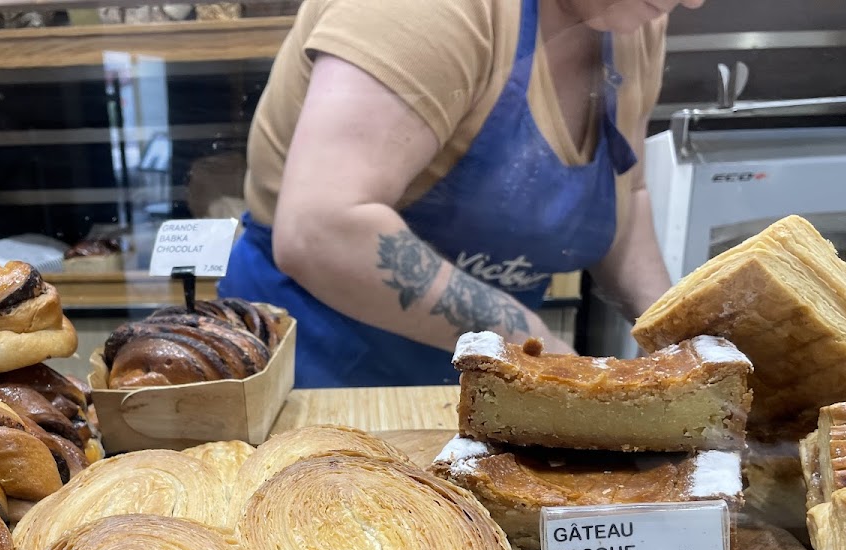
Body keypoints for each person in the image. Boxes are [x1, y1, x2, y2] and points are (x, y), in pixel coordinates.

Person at [216, 0, 705, 388]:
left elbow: (627, 189)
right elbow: (323, 229)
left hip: (488, 381)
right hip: (325, 369)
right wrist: (542, 352)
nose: (693, 3)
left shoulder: (635, 18)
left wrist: (670, 329)